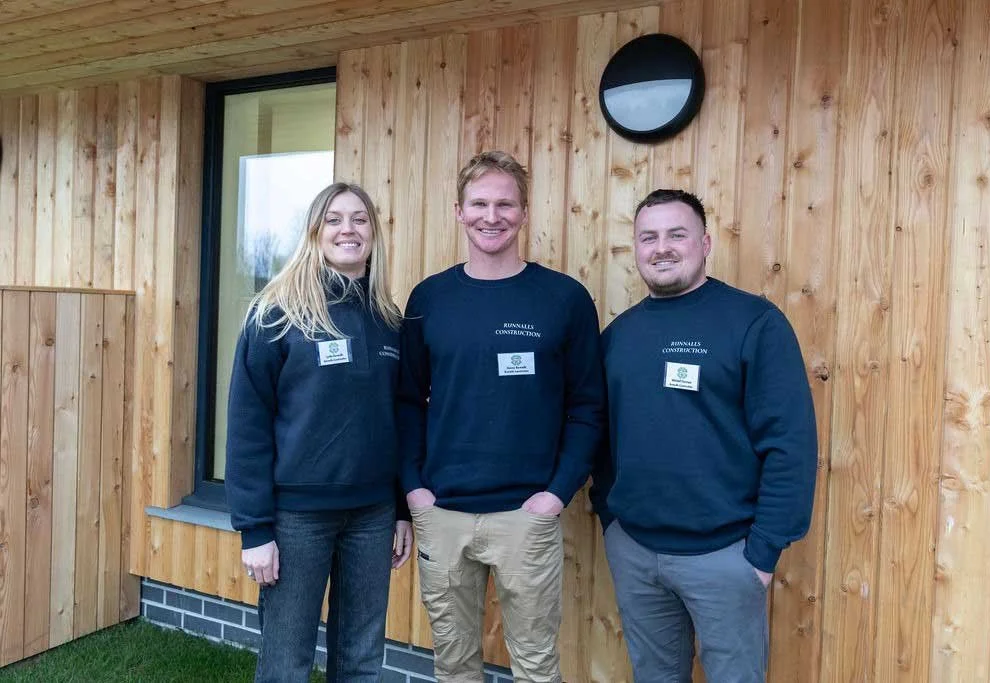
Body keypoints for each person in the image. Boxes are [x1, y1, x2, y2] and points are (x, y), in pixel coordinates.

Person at [591, 189, 817, 683]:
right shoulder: (619, 336)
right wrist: (610, 517)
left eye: (677, 234)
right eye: (648, 237)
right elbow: (601, 436)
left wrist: (762, 553)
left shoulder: (753, 323)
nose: (661, 248)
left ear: (706, 242)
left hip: (725, 556)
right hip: (635, 551)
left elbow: (789, 444)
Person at [398, 151, 604, 682]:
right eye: (479, 204)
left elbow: (588, 407)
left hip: (526, 514)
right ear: (459, 212)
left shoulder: (564, 298)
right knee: (453, 664)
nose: (492, 216)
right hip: (442, 512)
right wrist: (414, 489)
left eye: (505, 204)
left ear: (524, 212)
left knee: (535, 665)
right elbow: (406, 401)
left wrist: (555, 494)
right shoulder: (429, 299)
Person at [225, 182, 413, 682]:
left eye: (359, 219)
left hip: (372, 516)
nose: (348, 229)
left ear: (373, 233)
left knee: (361, 661)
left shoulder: (389, 321)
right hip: (297, 519)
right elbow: (247, 426)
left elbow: (397, 421)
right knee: (286, 663)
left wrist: (400, 509)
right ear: (314, 232)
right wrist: (255, 529)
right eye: (334, 219)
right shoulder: (276, 314)